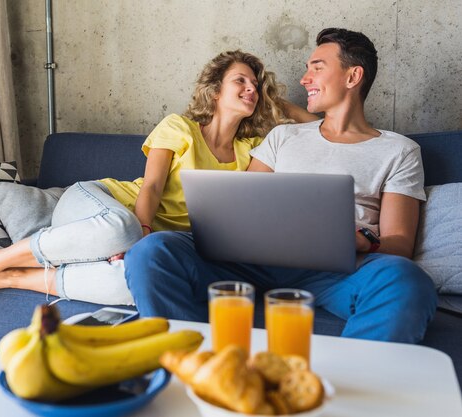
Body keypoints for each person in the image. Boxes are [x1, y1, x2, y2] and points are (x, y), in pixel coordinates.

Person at [0, 50, 313, 307]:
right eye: (240, 81)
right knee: (121, 227)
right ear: (215, 91)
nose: (250, 89)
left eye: (255, 86)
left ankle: (11, 279)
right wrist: (141, 234)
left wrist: (272, 98)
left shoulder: (252, 152)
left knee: (136, 285)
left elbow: (318, 127)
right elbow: (153, 187)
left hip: (139, 241)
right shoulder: (179, 127)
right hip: (100, 205)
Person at [124, 28, 438, 343]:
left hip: (337, 272)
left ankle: (356, 379)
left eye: (316, 67)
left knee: (406, 281)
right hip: (249, 262)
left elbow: (399, 244)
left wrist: (361, 241)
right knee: (152, 252)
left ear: (353, 76)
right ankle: (193, 360)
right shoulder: (283, 137)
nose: (304, 78)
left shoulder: (398, 150)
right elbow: (239, 206)